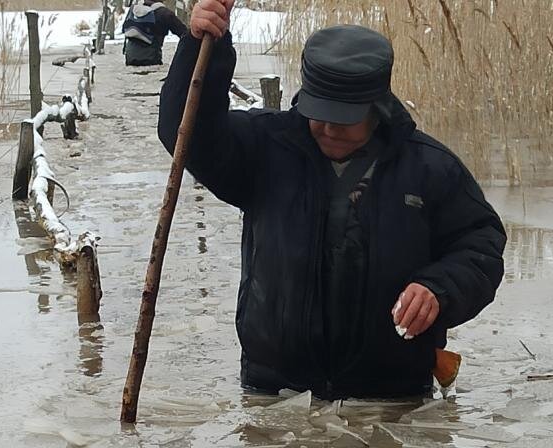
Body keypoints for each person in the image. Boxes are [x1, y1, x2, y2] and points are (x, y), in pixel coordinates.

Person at [158, 0, 507, 399]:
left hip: (391, 396)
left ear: (376, 106)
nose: (327, 128)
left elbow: (481, 247)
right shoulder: (264, 150)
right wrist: (203, 45)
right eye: (317, 112)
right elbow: (186, 135)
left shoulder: (430, 168)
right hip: (274, 392)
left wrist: (438, 290)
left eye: (343, 118)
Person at [122, 0, 187, 66]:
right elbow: (183, 33)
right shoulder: (164, 13)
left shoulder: (133, 10)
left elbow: (124, 28)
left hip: (130, 60)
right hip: (152, 60)